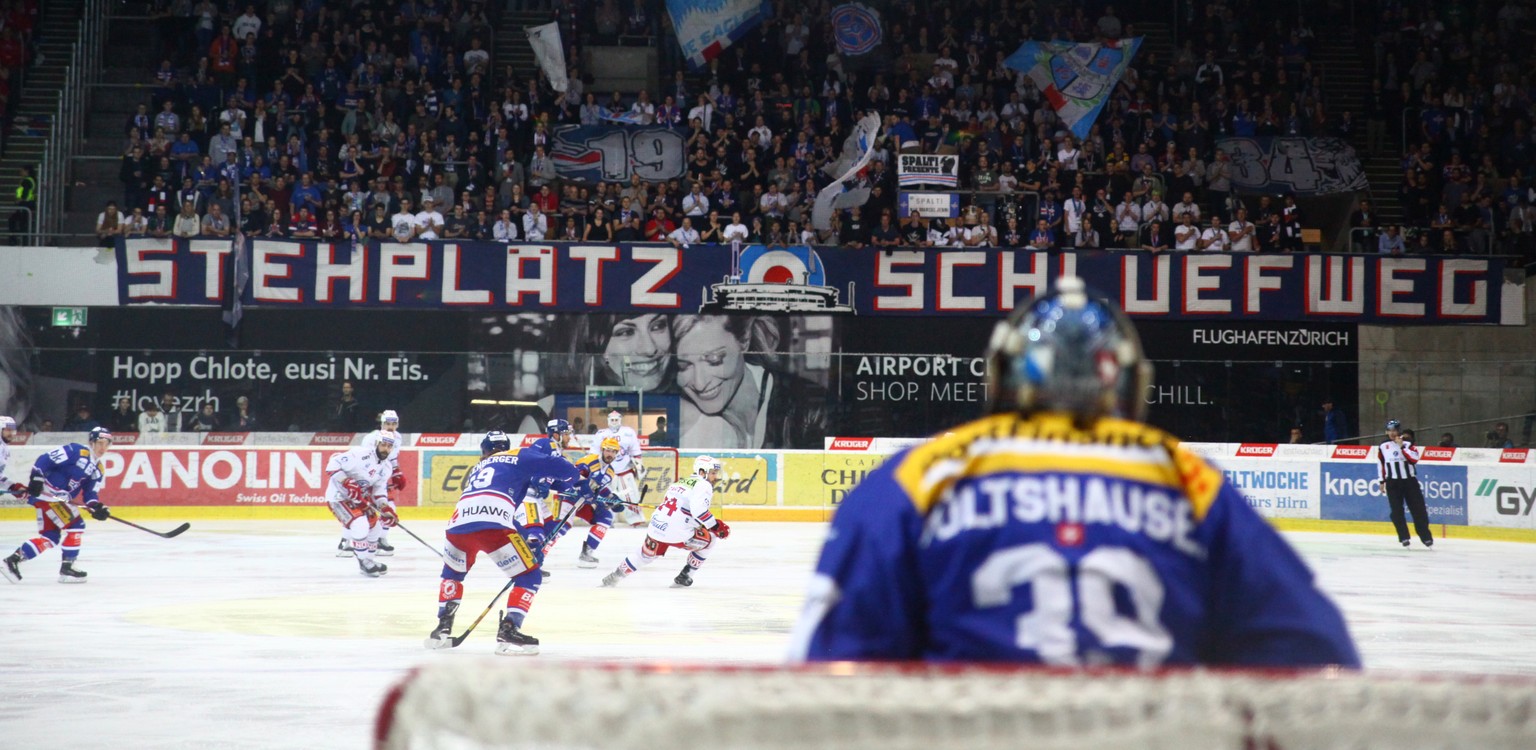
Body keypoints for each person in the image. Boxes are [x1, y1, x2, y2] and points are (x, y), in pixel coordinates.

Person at [788, 277, 1360, 667]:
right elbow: (1314, 658)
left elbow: (825, 670)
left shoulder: (921, 474)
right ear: (1129, 382)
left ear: (1002, 377)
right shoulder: (1186, 477)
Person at [425, 427, 606, 654]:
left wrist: (524, 542)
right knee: (529, 575)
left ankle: (442, 626)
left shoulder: (477, 467)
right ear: (506, 447)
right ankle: (509, 629)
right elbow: (557, 466)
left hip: (456, 526)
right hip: (494, 524)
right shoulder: (517, 455)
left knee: (453, 575)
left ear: (484, 452)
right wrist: (580, 480)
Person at [671, 315, 828, 449]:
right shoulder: (675, 416)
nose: (699, 383)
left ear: (744, 340)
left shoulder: (811, 410)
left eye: (714, 360)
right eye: (683, 366)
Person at [2, 427, 116, 584]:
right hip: (49, 495)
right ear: (91, 442)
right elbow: (45, 459)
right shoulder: (76, 451)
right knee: (76, 525)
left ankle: (12, 560)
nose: (103, 448)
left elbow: (90, 493)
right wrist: (36, 478)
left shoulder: (98, 468)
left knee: (50, 537)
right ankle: (67, 569)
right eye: (100, 443)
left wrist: (96, 506)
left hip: (55, 500)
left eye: (107, 444)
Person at [602, 455, 730, 588]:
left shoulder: (679, 483)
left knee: (644, 555)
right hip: (677, 533)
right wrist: (715, 526)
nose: (715, 477)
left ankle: (614, 577)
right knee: (711, 539)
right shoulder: (704, 485)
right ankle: (686, 575)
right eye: (713, 473)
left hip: (657, 526)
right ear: (702, 472)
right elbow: (698, 511)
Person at [324, 433, 399, 577]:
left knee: (376, 528)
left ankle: (369, 561)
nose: (386, 449)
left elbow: (378, 491)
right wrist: (346, 481)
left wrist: (385, 508)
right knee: (360, 525)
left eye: (389, 446)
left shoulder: (386, 467)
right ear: (376, 444)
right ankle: (363, 561)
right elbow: (332, 465)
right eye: (383, 445)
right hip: (338, 497)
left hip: (358, 498)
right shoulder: (359, 454)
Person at [539, 440, 622, 567]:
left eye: (613, 451)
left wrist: (612, 499)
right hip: (568, 496)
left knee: (605, 517)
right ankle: (538, 555)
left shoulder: (610, 472)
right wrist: (583, 491)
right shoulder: (589, 462)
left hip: (584, 501)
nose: (610, 454)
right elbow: (573, 478)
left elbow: (600, 488)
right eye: (608, 450)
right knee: (561, 527)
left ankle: (587, 553)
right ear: (602, 450)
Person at [338, 410, 405, 557]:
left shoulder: (398, 438)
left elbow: (391, 458)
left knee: (388, 505)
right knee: (357, 509)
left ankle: (380, 539)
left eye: (393, 423)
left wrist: (397, 472)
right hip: (366, 476)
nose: (390, 426)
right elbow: (365, 459)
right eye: (387, 423)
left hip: (380, 476)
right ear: (382, 424)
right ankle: (345, 541)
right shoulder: (372, 438)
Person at [1380, 419, 1433, 549]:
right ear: (1386, 432)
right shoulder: (1383, 446)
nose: (1392, 433)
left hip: (1409, 482)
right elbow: (1381, 464)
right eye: (1389, 430)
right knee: (1396, 512)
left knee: (1418, 510)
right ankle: (1403, 536)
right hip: (1393, 483)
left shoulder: (1408, 444)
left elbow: (1414, 459)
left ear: (1399, 431)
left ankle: (1425, 537)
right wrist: (1382, 481)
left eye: (1394, 430)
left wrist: (1402, 446)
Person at [593, 410, 646, 514]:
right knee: (607, 496)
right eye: (612, 420)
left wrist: (639, 465)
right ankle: (607, 518)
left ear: (620, 420)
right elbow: (594, 453)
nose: (614, 422)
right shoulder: (601, 434)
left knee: (630, 495)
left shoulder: (628, 432)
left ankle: (635, 519)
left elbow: (635, 450)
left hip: (625, 469)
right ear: (608, 421)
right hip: (607, 471)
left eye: (616, 420)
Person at [0, 416, 21, 497]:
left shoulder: (4, 447)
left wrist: (12, 487)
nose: (11, 434)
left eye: (13, 430)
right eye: (8, 430)